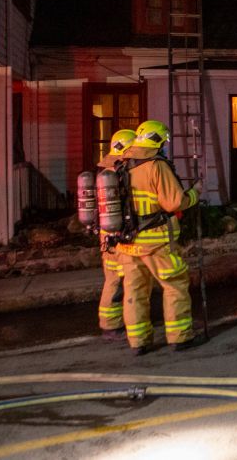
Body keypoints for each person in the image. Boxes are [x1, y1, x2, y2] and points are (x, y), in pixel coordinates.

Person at [116, 119, 203, 355]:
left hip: (128, 244)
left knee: (135, 292)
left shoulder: (122, 164)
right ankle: (180, 337)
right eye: (164, 142)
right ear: (157, 142)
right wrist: (195, 193)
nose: (165, 147)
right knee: (175, 285)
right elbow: (174, 202)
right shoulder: (156, 166)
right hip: (156, 242)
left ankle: (138, 342)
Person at [95, 129, 136, 342]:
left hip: (106, 236)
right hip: (118, 237)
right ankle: (114, 325)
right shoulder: (120, 173)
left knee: (113, 279)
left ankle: (113, 322)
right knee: (122, 280)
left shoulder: (104, 172)